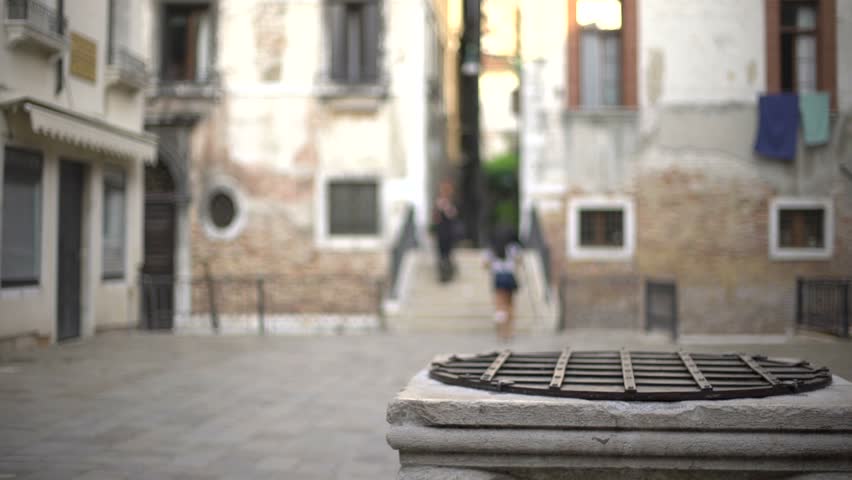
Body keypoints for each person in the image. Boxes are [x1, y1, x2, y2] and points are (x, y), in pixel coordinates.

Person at [484, 227, 522, 342]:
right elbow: (519, 260)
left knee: (500, 305)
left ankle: (501, 331)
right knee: (510, 304)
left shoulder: (492, 248)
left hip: (499, 276)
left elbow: (485, 264)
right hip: (509, 276)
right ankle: (509, 330)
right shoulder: (513, 247)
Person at [431, 180, 460, 282]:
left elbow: (453, 215)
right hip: (441, 233)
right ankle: (443, 274)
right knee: (442, 254)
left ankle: (448, 273)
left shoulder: (451, 203)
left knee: (448, 254)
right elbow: (435, 219)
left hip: (449, 233)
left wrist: (447, 208)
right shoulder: (438, 203)